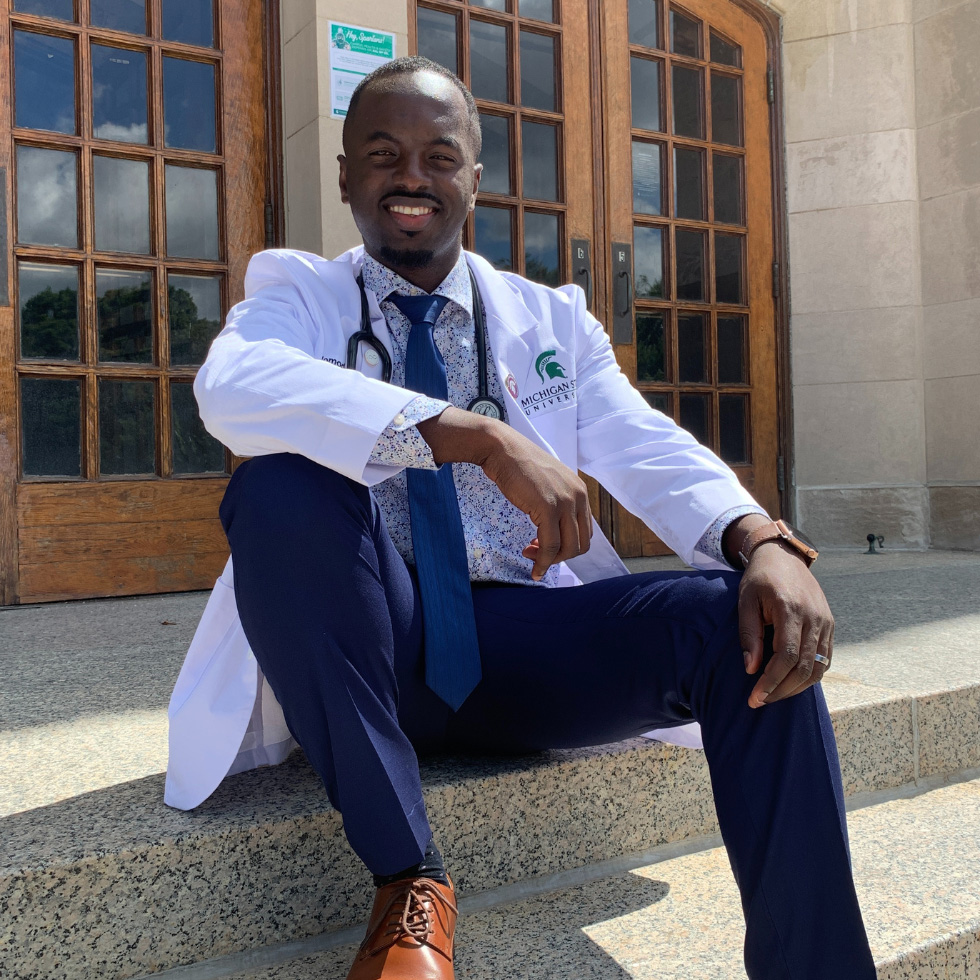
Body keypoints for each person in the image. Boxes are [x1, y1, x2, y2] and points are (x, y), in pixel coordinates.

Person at [165, 56, 877, 980]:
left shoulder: (553, 320)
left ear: (474, 176)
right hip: (372, 647)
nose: (410, 176)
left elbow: (643, 444)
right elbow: (231, 388)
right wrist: (475, 436)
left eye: (438, 155)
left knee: (736, 614)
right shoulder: (299, 296)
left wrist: (761, 540)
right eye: (382, 154)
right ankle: (409, 883)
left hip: (530, 643)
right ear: (345, 176)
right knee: (277, 489)